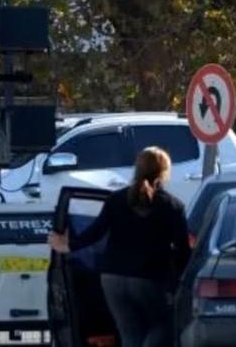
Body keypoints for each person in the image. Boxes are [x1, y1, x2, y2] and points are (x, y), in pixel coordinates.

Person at [48, 147, 190, 347]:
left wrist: (69, 245)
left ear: (136, 169)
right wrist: (181, 279)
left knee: (129, 336)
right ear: (164, 173)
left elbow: (96, 232)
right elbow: (183, 250)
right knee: (165, 324)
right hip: (150, 279)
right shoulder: (172, 206)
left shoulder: (116, 200)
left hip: (112, 278)